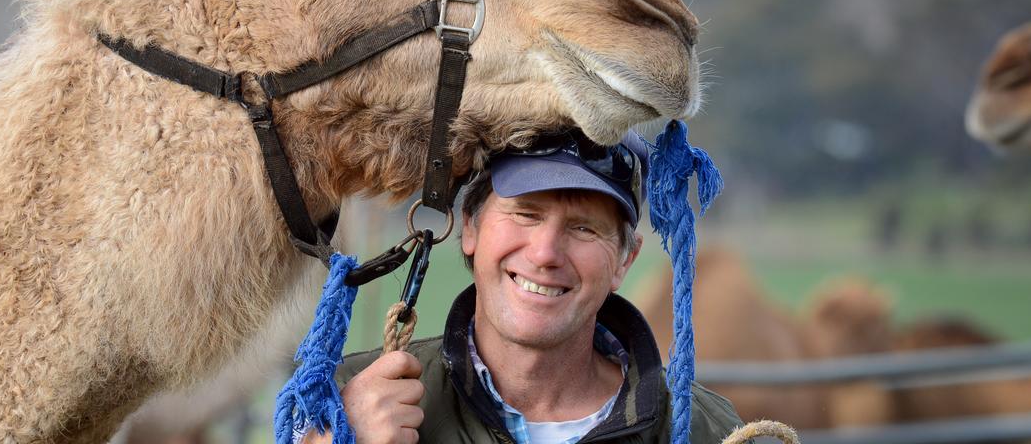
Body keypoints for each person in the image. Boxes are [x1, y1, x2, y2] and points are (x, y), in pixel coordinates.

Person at [305, 130, 742, 444]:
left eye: (585, 229)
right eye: (525, 214)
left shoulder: (704, 430)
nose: (546, 252)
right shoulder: (350, 400)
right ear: (471, 228)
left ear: (623, 261)